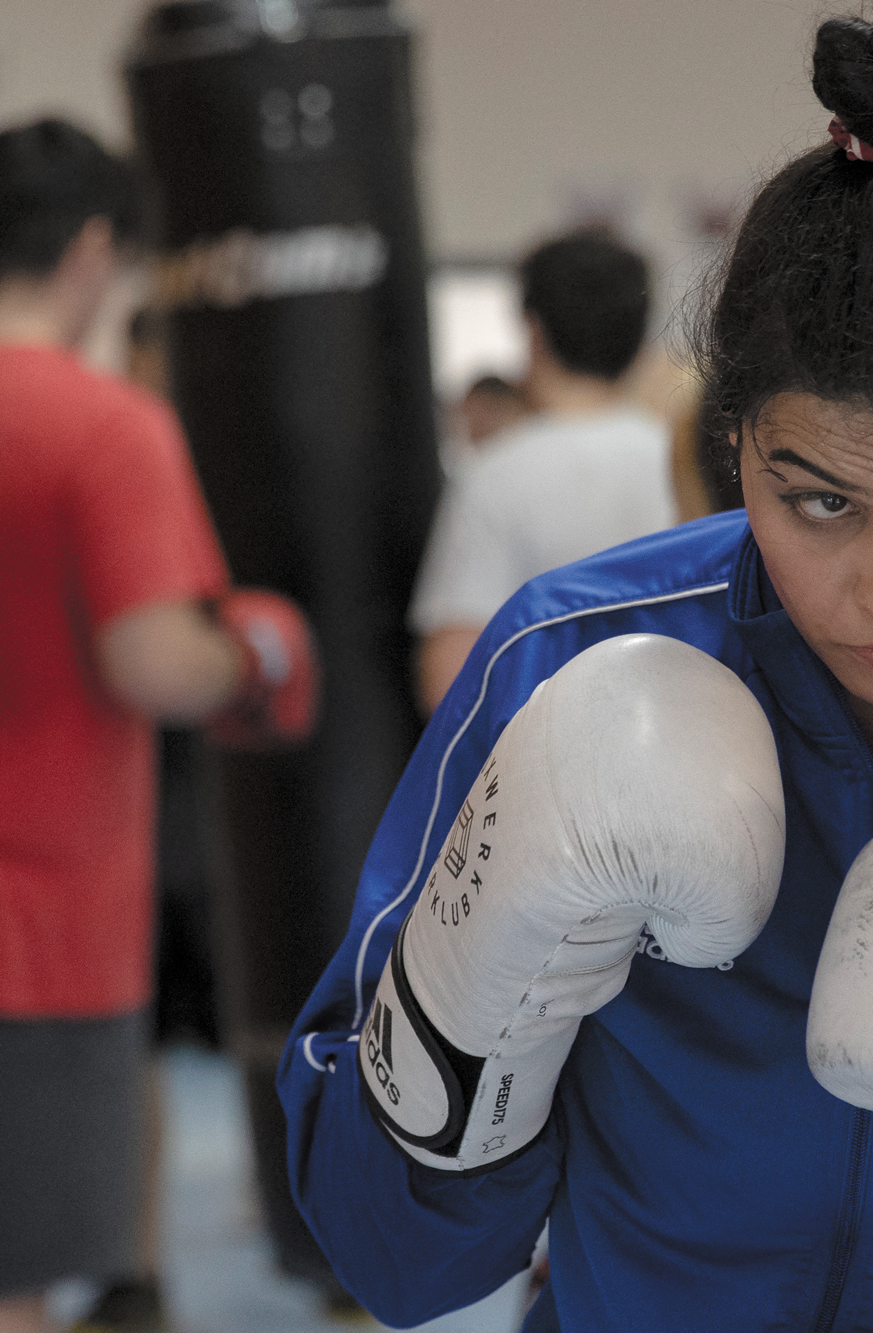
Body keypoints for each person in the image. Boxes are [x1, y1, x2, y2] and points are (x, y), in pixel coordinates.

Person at [280, 15, 873, 1331]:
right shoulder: (567, 653)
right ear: (738, 444)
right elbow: (388, 1260)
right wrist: (459, 1026)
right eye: (820, 501)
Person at [0, 118, 318, 1333]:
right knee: (15, 1284)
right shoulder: (102, 424)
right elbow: (152, 663)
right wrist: (255, 649)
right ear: (94, 247)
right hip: (36, 934)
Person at [409, 229, 674, 715]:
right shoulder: (685, 462)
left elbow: (449, 677)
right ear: (640, 344)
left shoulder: (498, 475)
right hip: (679, 734)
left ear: (533, 332)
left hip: (548, 747)